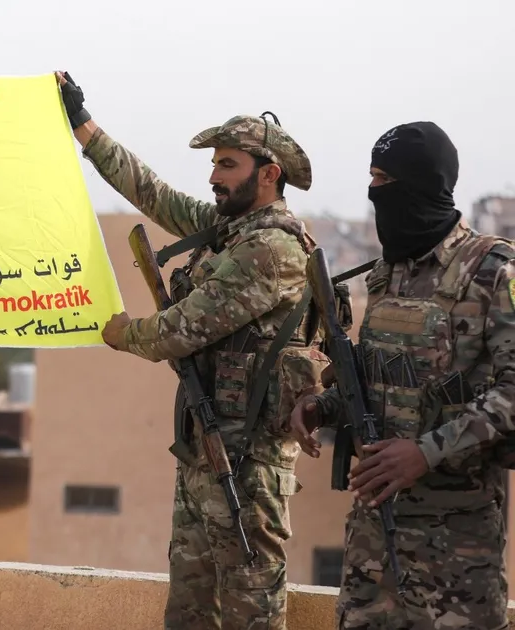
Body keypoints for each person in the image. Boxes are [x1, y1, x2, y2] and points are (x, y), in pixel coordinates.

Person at [57, 71, 328, 629]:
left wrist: (123, 333)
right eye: (214, 164)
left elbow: (182, 329)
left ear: (269, 174)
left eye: (227, 165)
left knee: (250, 614)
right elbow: (152, 193)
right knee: (189, 614)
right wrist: (83, 125)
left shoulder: (272, 248)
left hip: (247, 466)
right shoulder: (230, 229)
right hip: (205, 451)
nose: (213, 177)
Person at [290, 121, 514, 629]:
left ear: (422, 184)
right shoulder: (386, 274)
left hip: (456, 545)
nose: (374, 192)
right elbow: (380, 379)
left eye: (385, 179)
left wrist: (424, 452)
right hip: (374, 537)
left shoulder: (494, 271)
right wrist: (323, 406)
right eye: (372, 178)